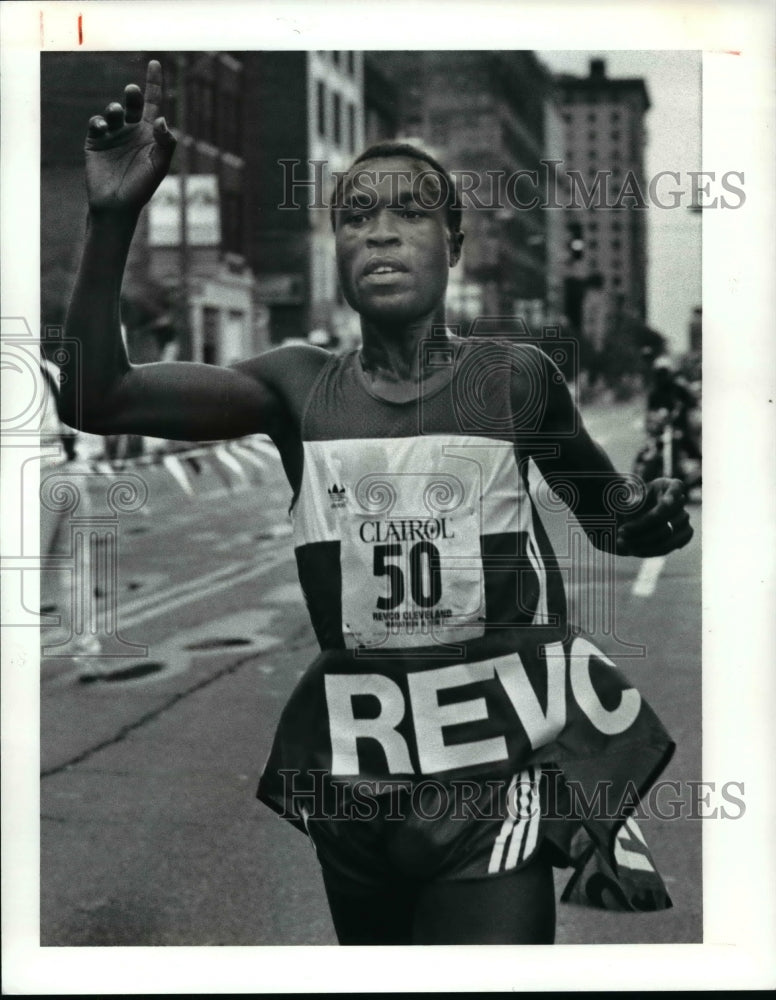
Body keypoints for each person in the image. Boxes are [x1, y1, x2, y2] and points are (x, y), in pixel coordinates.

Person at [61, 61, 693, 945]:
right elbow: (97, 399)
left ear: (454, 241)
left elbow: (609, 514)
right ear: (338, 249)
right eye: (356, 217)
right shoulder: (295, 386)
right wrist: (113, 214)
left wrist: (650, 513)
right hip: (356, 784)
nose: (381, 234)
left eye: (409, 213)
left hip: (491, 782)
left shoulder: (514, 381)